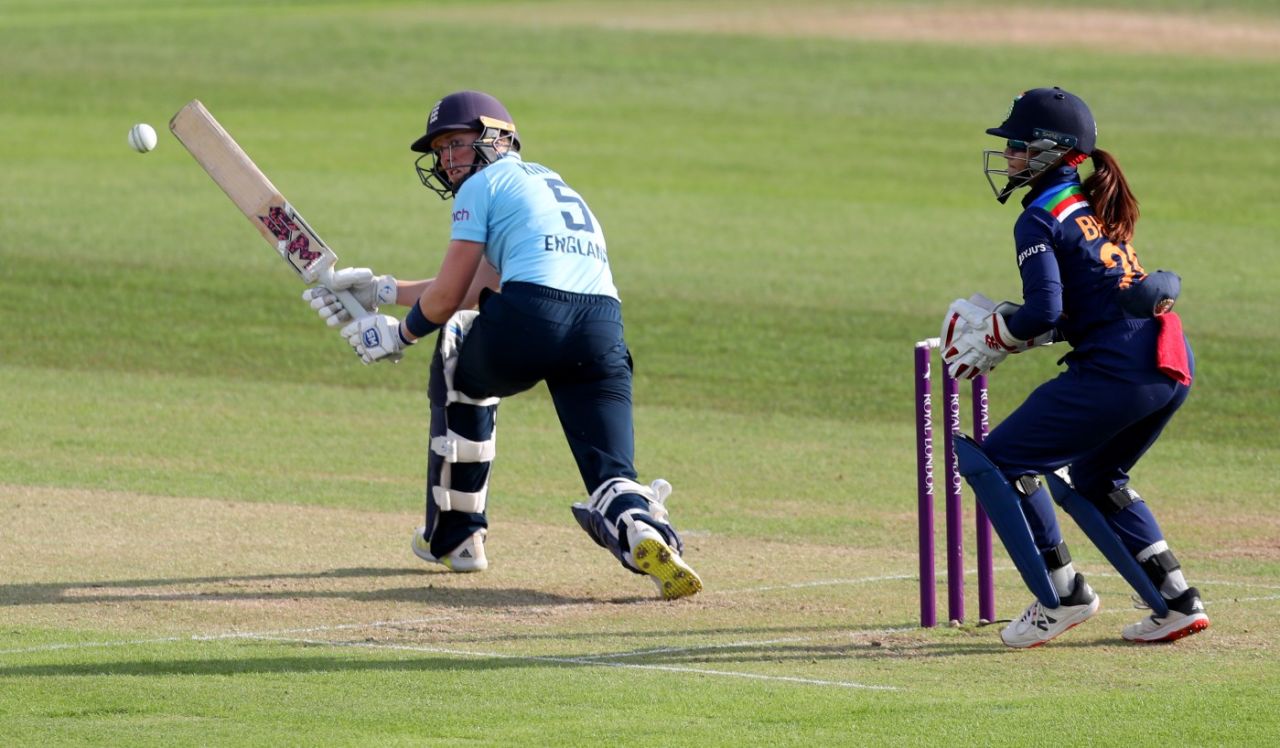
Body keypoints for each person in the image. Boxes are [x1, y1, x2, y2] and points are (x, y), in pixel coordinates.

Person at [303, 90, 701, 600]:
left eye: (458, 145)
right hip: (601, 325)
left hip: (534, 316)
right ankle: (641, 527)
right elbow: (479, 286)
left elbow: (452, 299)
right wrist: (384, 290)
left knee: (457, 350)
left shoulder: (482, 186)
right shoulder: (550, 181)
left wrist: (398, 334)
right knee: (612, 470)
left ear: (497, 139)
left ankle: (457, 536)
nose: (448, 161)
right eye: (441, 151)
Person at [940, 87, 1209, 647]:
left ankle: (1061, 597)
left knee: (997, 460)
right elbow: (1091, 304)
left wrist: (1001, 335)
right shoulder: (1091, 206)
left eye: (1019, 144)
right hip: (1167, 363)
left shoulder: (1039, 218)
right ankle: (1178, 602)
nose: (1010, 155)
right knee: (1096, 477)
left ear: (1053, 151)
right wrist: (1021, 335)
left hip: (1117, 370)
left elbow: (1046, 309)